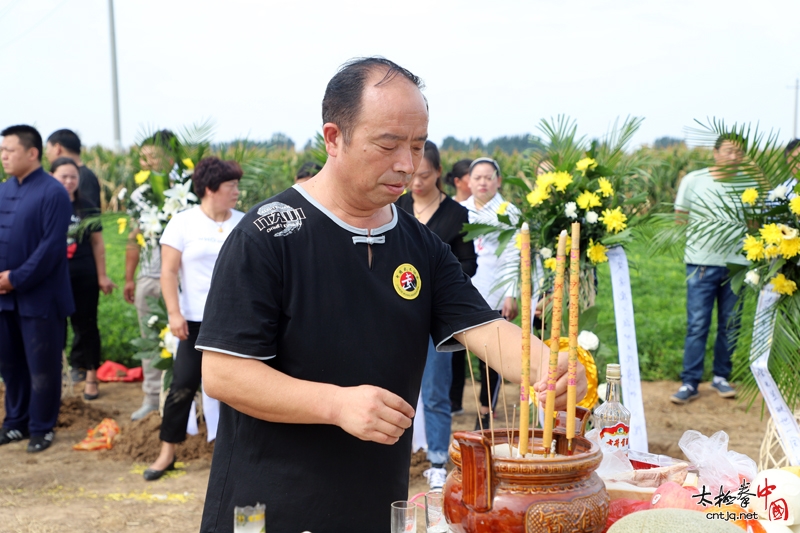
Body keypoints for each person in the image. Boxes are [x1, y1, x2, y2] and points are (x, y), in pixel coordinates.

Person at [195, 57, 587, 533]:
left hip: (374, 499)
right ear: (334, 138)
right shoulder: (268, 233)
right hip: (269, 501)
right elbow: (224, 373)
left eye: (418, 145)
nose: (408, 164)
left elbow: (483, 327)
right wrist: (336, 405)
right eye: (388, 144)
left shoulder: (419, 244)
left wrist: (549, 371)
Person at [143, 157, 244, 480]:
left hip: (236, 322)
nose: (237, 193)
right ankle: (166, 453)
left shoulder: (242, 222)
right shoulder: (183, 223)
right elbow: (169, 272)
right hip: (196, 321)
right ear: (211, 189)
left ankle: (237, 455)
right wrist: (175, 313)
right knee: (182, 386)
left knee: (241, 390)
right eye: (231, 186)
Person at [395, 141, 476, 490]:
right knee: (393, 386)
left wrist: (432, 278)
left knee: (435, 390)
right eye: (413, 175)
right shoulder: (396, 206)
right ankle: (396, 452)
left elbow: (468, 264)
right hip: (395, 314)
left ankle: (439, 459)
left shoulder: (456, 215)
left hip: (433, 317)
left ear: (439, 173)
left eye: (424, 175)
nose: (416, 182)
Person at [0, 125, 74, 453]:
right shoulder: (4, 190)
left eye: (9, 150)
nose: (3, 156)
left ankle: (42, 427)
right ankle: (14, 422)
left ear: (32, 153)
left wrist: (15, 278)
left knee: (41, 366)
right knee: (10, 363)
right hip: (5, 298)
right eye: (2, 151)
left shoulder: (52, 192)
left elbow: (51, 248)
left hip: (40, 298)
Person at [671, 135, 748, 404]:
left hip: (738, 265)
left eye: (739, 152)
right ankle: (690, 382)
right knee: (697, 324)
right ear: (715, 153)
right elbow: (681, 217)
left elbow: (754, 221)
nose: (734, 157)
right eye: (728, 151)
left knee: (730, 323)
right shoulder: (694, 180)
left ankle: (721, 377)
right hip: (701, 263)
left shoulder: (748, 183)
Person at [461, 157, 520, 430]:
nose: (482, 182)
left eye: (488, 177)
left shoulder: (509, 212)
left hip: (495, 292)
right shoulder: (459, 210)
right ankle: (462, 404)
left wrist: (511, 293)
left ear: (498, 181)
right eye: (477, 177)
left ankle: (486, 411)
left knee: (491, 355)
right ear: (468, 181)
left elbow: (513, 256)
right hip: (464, 290)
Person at [50, 158, 116, 400]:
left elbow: (98, 243)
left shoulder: (87, 206)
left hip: (83, 276)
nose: (68, 182)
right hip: (52, 278)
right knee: (55, 328)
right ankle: (56, 378)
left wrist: (102, 275)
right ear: (51, 176)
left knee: (86, 325)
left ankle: (91, 376)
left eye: (73, 177)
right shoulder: (44, 204)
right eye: (63, 177)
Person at [124, 130, 179, 421]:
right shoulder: (138, 195)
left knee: (183, 340)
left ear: (171, 159)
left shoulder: (188, 189)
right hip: (148, 276)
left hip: (181, 279)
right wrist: (130, 277)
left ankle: (186, 400)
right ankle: (151, 397)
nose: (146, 163)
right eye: (143, 158)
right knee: (150, 340)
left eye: (152, 157)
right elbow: (133, 237)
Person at [444, 158, 473, 415]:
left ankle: (457, 400)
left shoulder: (457, 214)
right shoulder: (450, 211)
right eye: (471, 176)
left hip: (469, 287)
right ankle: (450, 400)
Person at [45, 129, 102, 209]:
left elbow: (89, 215)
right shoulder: (85, 174)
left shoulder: (85, 177)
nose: (46, 153)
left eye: (48, 149)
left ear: (57, 148)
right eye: (64, 176)